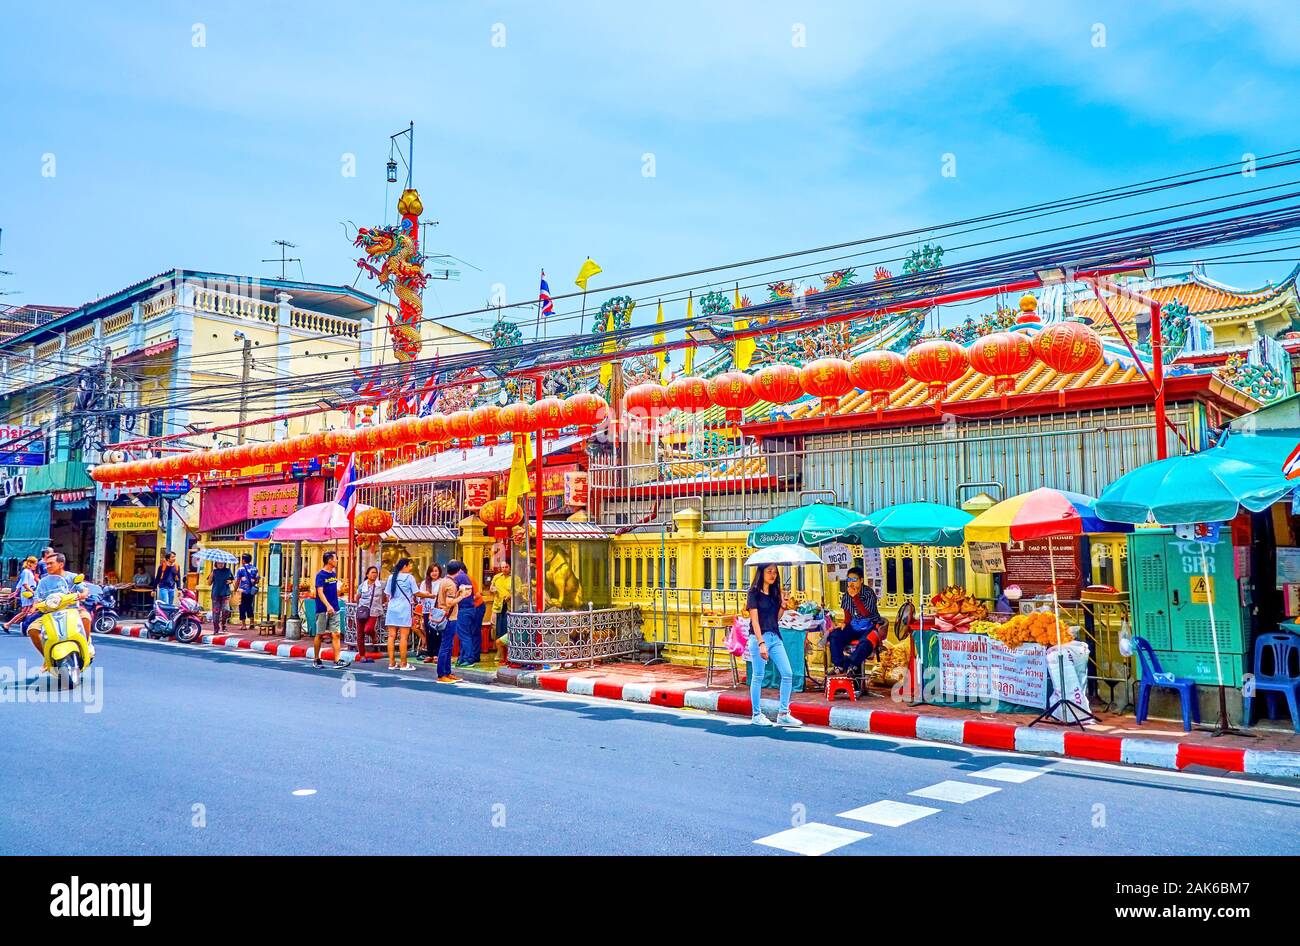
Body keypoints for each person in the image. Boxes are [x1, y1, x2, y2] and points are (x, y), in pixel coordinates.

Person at [746, 563, 802, 727]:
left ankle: (783, 713)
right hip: (758, 638)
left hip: (775, 637)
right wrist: (761, 643)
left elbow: (775, 618)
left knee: (787, 673)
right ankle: (756, 714)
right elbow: (755, 622)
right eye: (769, 571)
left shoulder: (774, 593)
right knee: (758, 676)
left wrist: (783, 605)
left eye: (775, 573)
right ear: (761, 573)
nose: (773, 575)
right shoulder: (753, 593)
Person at [27, 553, 91, 659]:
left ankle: (85, 646)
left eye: (51, 563)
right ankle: (47, 658)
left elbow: (83, 588)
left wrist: (83, 593)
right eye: (46, 564)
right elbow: (37, 598)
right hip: (50, 613)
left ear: (61, 564)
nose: (47, 566)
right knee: (32, 630)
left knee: (86, 617)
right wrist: (33, 608)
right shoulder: (43, 582)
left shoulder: (72, 577)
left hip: (72, 610)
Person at [827, 567, 887, 675]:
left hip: (869, 626)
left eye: (854, 579)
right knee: (835, 636)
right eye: (849, 580)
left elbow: (866, 613)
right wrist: (844, 623)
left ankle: (851, 666)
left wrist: (855, 597)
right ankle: (839, 666)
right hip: (853, 627)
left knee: (866, 642)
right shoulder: (846, 595)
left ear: (861, 580)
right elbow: (848, 616)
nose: (851, 583)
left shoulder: (869, 593)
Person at [384, 558, 427, 671]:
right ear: (404, 566)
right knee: (403, 637)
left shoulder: (391, 577)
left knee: (391, 636)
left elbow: (387, 595)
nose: (410, 568)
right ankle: (403, 664)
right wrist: (430, 596)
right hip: (404, 608)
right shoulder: (410, 578)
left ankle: (392, 663)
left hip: (392, 608)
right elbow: (416, 593)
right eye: (409, 566)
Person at [436, 561, 472, 682]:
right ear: (459, 571)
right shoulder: (451, 584)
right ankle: (442, 674)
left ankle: (447, 672)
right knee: (446, 646)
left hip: (445, 615)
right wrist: (462, 596)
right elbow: (449, 602)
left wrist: (459, 594)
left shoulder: (444, 581)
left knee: (448, 645)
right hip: (449, 617)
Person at [312, 551, 347, 669]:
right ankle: (316, 659)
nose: (337, 561)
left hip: (335, 608)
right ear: (329, 561)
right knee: (320, 634)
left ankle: (337, 660)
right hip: (323, 609)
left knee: (336, 634)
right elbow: (320, 592)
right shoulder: (320, 575)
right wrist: (327, 606)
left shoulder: (333, 574)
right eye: (335, 559)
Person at [450, 561, 484, 669]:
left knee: (464, 635)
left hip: (464, 609)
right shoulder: (466, 577)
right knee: (469, 634)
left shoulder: (459, 578)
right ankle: (464, 657)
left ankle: (469, 658)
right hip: (471, 608)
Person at [354, 565, 385, 663]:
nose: (374, 574)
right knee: (360, 634)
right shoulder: (362, 585)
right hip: (362, 610)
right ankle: (362, 655)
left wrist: (384, 603)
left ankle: (374, 636)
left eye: (376, 572)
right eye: (372, 572)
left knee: (368, 629)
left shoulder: (381, 585)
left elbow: (386, 595)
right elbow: (357, 597)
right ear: (367, 574)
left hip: (374, 610)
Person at [418, 563, 447, 665]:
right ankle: (429, 653)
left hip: (438, 611)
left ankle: (437, 654)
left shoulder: (442, 582)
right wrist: (426, 595)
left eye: (436, 571)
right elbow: (419, 596)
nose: (434, 573)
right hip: (427, 610)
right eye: (432, 571)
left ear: (439, 571)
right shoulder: (424, 583)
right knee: (428, 631)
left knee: (437, 632)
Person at [3, 556, 39, 633]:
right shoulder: (26, 572)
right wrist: (33, 592)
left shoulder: (27, 572)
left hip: (28, 593)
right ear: (30, 563)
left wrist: (16, 592)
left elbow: (20, 583)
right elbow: (25, 584)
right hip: (27, 594)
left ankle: (12, 624)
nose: (36, 566)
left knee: (27, 611)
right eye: (35, 564)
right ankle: (9, 624)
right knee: (25, 611)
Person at [490, 563, 514, 663]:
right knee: (497, 630)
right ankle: (499, 652)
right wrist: (492, 590)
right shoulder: (496, 577)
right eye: (502, 567)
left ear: (510, 567)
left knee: (507, 629)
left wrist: (509, 596)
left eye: (506, 567)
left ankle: (508, 653)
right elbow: (491, 589)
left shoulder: (514, 578)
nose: (504, 569)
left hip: (509, 607)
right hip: (498, 606)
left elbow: (518, 592)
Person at [235, 553, 260, 631]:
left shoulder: (240, 569)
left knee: (242, 607)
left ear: (243, 560)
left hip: (242, 591)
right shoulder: (255, 569)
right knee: (249, 606)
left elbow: (238, 581)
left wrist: (235, 589)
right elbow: (257, 580)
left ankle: (244, 625)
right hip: (251, 591)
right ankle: (252, 623)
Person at [209, 559, 234, 634]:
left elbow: (232, 579)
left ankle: (224, 624)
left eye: (222, 563)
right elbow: (209, 583)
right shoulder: (214, 572)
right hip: (216, 594)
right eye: (219, 563)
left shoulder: (228, 571)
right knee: (216, 612)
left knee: (226, 610)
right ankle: (216, 628)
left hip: (225, 593)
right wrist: (211, 575)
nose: (221, 564)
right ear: (216, 563)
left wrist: (230, 581)